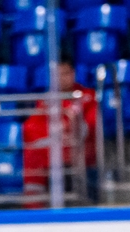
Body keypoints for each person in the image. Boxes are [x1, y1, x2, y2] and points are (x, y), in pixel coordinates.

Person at [21, 62, 98, 204]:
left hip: (81, 152)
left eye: (65, 74)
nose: (61, 78)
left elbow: (91, 127)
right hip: (53, 151)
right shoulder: (47, 100)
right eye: (57, 75)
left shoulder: (88, 96)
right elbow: (31, 128)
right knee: (33, 154)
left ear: (73, 74)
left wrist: (69, 126)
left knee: (39, 155)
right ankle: (34, 208)